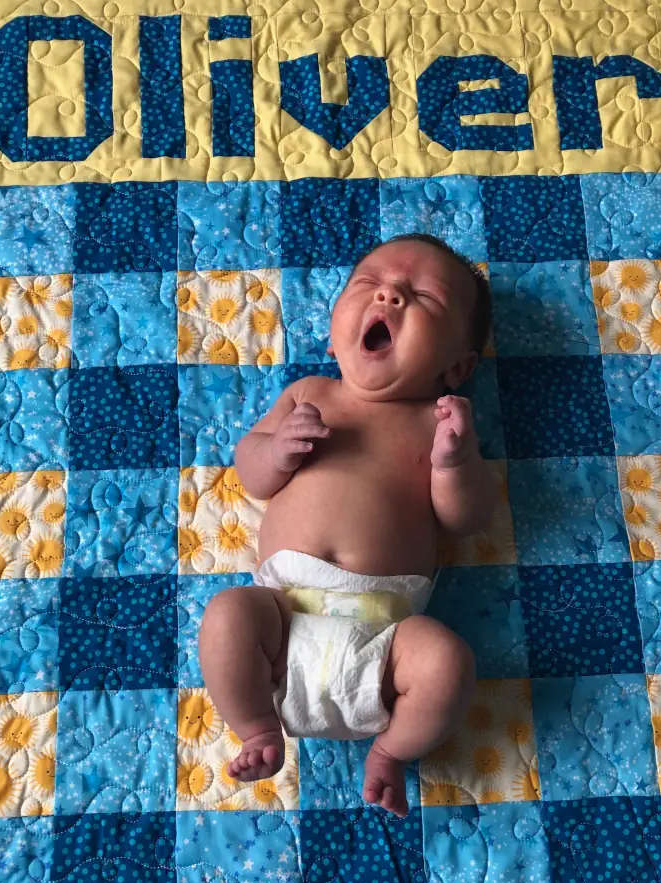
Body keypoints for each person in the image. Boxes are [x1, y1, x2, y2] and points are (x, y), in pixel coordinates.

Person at [198, 234, 496, 817]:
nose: (389, 293)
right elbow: (251, 472)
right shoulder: (310, 395)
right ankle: (259, 729)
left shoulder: (435, 426)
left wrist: (454, 465)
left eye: (425, 298)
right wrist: (277, 449)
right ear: (336, 329)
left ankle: (390, 750)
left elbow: (467, 520)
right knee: (227, 616)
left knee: (448, 664)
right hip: (280, 619)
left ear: (456, 367)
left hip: (386, 637)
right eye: (369, 283)